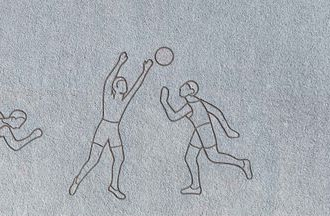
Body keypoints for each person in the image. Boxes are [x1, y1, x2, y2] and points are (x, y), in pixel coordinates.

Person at [69, 52, 154, 200]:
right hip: (104, 127)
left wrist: (145, 70)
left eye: (125, 83)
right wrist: (120, 63)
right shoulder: (108, 97)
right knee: (93, 159)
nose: (125, 85)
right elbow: (109, 80)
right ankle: (77, 180)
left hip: (114, 130)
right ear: (115, 87)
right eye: (121, 83)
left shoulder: (124, 100)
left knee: (119, 157)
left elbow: (136, 87)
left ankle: (114, 186)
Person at [159, 81, 252, 194]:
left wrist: (164, 101)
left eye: (185, 86)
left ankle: (242, 163)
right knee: (190, 157)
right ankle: (195, 187)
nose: (182, 87)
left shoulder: (190, 106)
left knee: (214, 156)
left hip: (204, 132)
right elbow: (216, 112)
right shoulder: (198, 101)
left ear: (191, 92)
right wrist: (227, 130)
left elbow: (173, 116)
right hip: (199, 132)